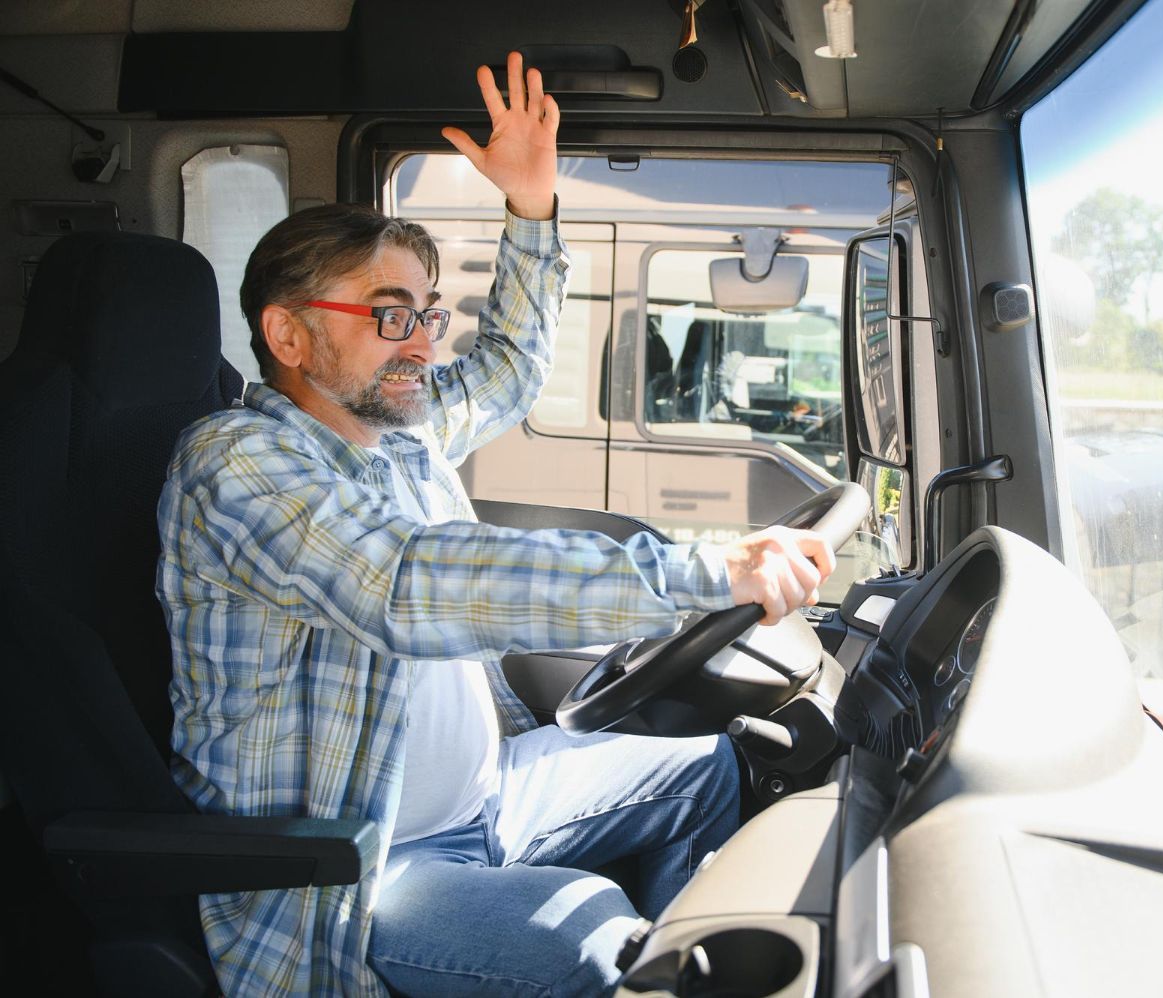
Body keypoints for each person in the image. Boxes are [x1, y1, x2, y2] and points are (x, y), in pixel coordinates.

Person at [156, 53, 834, 997]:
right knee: (595, 947)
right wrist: (704, 570)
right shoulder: (234, 463)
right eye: (391, 317)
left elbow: (507, 367)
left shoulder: (400, 428)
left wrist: (532, 207)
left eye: (428, 314)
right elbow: (406, 582)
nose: (426, 342)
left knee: (709, 773)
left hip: (494, 797)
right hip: (361, 865)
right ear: (288, 336)